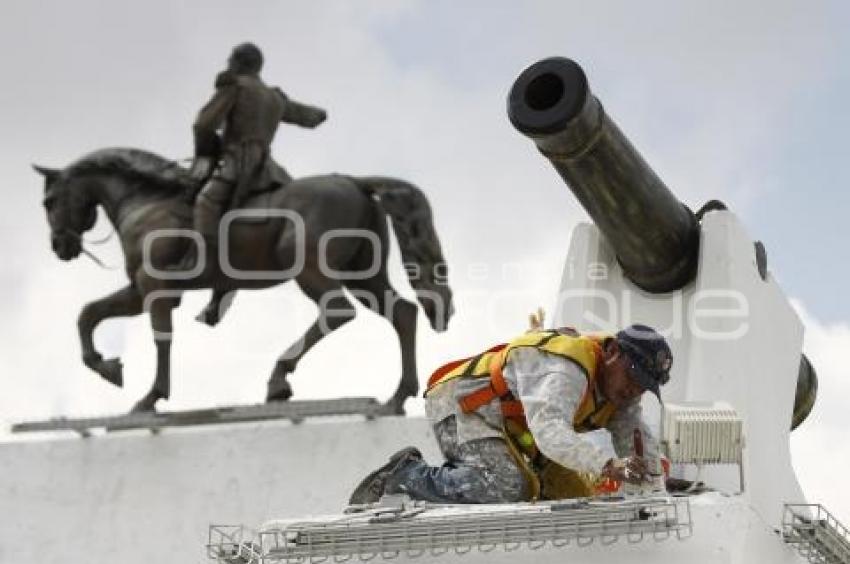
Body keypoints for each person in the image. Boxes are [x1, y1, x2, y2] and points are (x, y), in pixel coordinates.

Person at [349, 324, 672, 505]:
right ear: (612, 352)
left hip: (515, 425)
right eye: (632, 377)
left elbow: (635, 436)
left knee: (574, 498)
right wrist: (608, 465)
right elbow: (550, 433)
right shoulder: (567, 372)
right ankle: (405, 474)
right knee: (507, 486)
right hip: (465, 403)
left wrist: (654, 485)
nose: (634, 390)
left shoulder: (620, 394)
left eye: (643, 385)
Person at [176, 42, 327, 271]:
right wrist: (319, 114)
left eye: (230, 60)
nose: (228, 64)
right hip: (267, 168)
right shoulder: (275, 97)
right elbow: (308, 117)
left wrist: (207, 155)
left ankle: (205, 260)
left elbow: (203, 125)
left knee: (206, 202)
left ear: (238, 63)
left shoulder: (235, 86)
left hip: (237, 162)